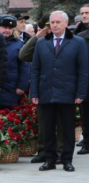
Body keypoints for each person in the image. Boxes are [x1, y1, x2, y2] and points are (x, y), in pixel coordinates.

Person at [31, 11, 88, 172]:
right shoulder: (41, 43)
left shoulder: (78, 42)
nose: (55, 25)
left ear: (66, 23)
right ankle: (49, 160)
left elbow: (83, 71)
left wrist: (80, 94)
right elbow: (35, 70)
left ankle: (67, 160)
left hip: (68, 92)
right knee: (48, 128)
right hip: (46, 91)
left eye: (58, 22)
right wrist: (34, 93)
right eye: (52, 22)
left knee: (68, 128)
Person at [19, 20, 58, 163]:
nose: (49, 30)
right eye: (46, 28)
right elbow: (23, 55)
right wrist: (36, 37)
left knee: (61, 122)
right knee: (44, 122)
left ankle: (60, 152)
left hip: (62, 87)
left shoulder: (67, 41)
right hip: (44, 86)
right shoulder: (40, 42)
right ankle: (43, 151)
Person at [0, 15, 30, 110]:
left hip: (11, 88)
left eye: (10, 28)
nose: (7, 30)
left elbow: (25, 67)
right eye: (4, 27)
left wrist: (22, 86)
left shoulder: (19, 44)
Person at [75, 3, 89, 154]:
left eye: (87, 13)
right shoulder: (79, 35)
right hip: (84, 79)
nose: (84, 15)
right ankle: (87, 141)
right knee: (85, 112)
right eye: (82, 13)